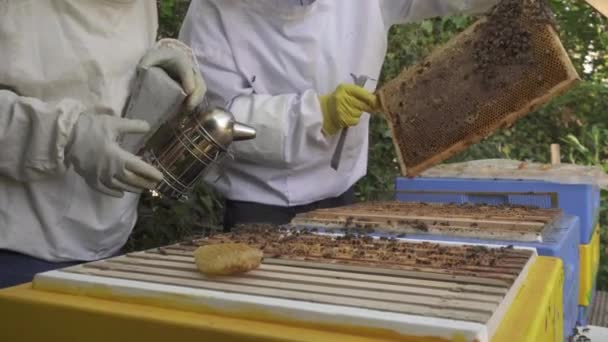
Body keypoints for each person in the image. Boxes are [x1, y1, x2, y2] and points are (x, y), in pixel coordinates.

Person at [179, 0, 498, 230]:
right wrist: (317, 115)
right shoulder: (212, 11)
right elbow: (217, 120)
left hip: (341, 192)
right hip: (259, 202)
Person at [0, 1, 206, 288]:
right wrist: (70, 134)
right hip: (18, 251)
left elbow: (107, 68)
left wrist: (168, 58)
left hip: (111, 246)